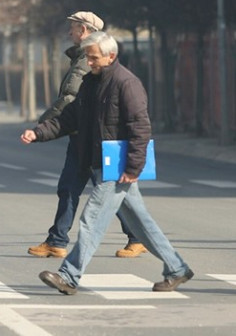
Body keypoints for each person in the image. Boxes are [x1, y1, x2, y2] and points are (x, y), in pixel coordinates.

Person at [21, 32, 192, 294]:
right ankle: (177, 269)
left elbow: (140, 128)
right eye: (87, 57)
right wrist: (38, 133)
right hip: (101, 164)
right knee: (142, 225)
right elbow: (70, 118)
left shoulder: (127, 83)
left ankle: (69, 276)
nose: (88, 62)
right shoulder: (90, 83)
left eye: (93, 57)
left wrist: (133, 168)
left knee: (92, 220)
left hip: (117, 168)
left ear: (110, 56)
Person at [28, 11, 146, 260]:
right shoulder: (83, 58)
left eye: (72, 28)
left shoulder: (88, 60)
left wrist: (46, 123)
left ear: (83, 30)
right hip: (79, 135)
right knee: (69, 188)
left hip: (94, 138)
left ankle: (137, 238)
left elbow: (71, 100)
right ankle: (57, 240)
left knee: (110, 192)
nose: (69, 33)